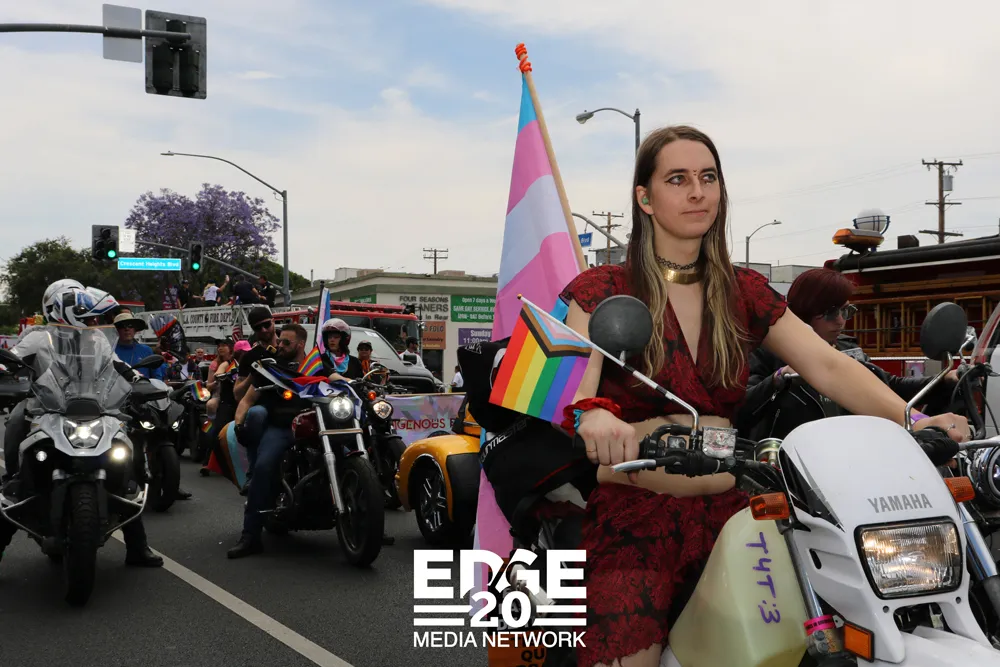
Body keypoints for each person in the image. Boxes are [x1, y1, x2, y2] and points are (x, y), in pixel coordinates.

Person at [558, 126, 968, 667]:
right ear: (645, 198)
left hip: (738, 516)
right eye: (677, 179)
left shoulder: (741, 290)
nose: (697, 192)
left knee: (822, 633)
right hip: (636, 519)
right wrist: (592, 418)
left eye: (708, 178)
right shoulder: (602, 289)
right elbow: (567, 389)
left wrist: (914, 420)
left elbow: (827, 364)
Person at [1, 281, 163, 568]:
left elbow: (119, 367)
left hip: (95, 409)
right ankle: (12, 480)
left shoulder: (98, 340)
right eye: (88, 318)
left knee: (126, 456)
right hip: (47, 409)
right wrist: (5, 373)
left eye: (94, 318)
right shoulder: (39, 337)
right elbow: (11, 360)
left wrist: (139, 381)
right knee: (17, 447)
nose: (94, 323)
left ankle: (137, 546)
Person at [737, 268, 961, 441]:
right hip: (788, 464)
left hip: (851, 456)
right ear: (805, 311)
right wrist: (778, 379)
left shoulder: (847, 349)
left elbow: (888, 387)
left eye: (846, 311)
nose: (840, 321)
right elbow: (740, 409)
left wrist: (944, 380)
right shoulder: (767, 352)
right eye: (830, 313)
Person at [227, 323, 310, 558]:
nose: (280, 345)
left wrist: (350, 383)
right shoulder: (271, 368)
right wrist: (239, 424)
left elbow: (335, 378)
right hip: (282, 427)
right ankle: (250, 536)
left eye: (286, 342)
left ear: (300, 345)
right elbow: (246, 400)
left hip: (316, 427)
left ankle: (370, 523)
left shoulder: (315, 365)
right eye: (280, 341)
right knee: (263, 467)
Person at [232, 308, 279, 493]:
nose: (264, 330)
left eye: (267, 324)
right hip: (262, 404)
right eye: (258, 328)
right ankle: (253, 472)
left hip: (292, 402)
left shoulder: (287, 347)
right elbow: (238, 394)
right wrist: (253, 374)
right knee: (256, 414)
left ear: (273, 321)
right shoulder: (250, 357)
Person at [112, 312, 165, 380]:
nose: (127, 329)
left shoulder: (146, 350)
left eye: (130, 325)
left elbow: (157, 378)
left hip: (144, 386)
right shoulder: (111, 352)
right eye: (121, 326)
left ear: (135, 329)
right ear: (116, 330)